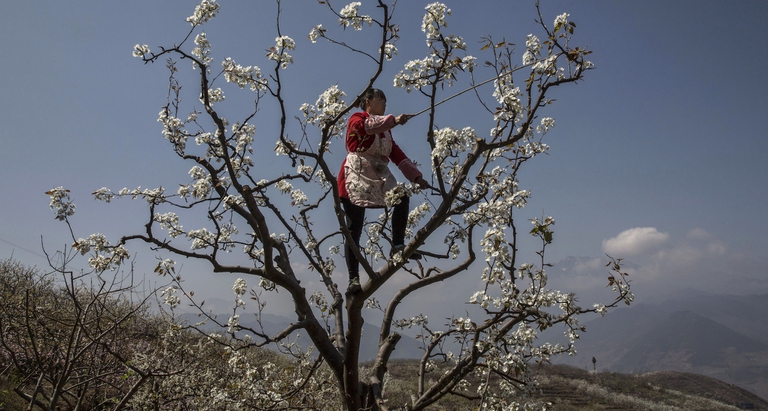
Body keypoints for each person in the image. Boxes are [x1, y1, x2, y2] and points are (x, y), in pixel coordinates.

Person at [337, 88, 429, 292]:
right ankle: (353, 279)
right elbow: (365, 127)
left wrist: (416, 177)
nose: (385, 103)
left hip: (378, 175)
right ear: (368, 102)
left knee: (401, 198)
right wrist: (393, 120)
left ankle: (398, 246)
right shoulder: (357, 118)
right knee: (354, 230)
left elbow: (397, 155)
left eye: (385, 100)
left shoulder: (386, 132)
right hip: (355, 175)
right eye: (381, 99)